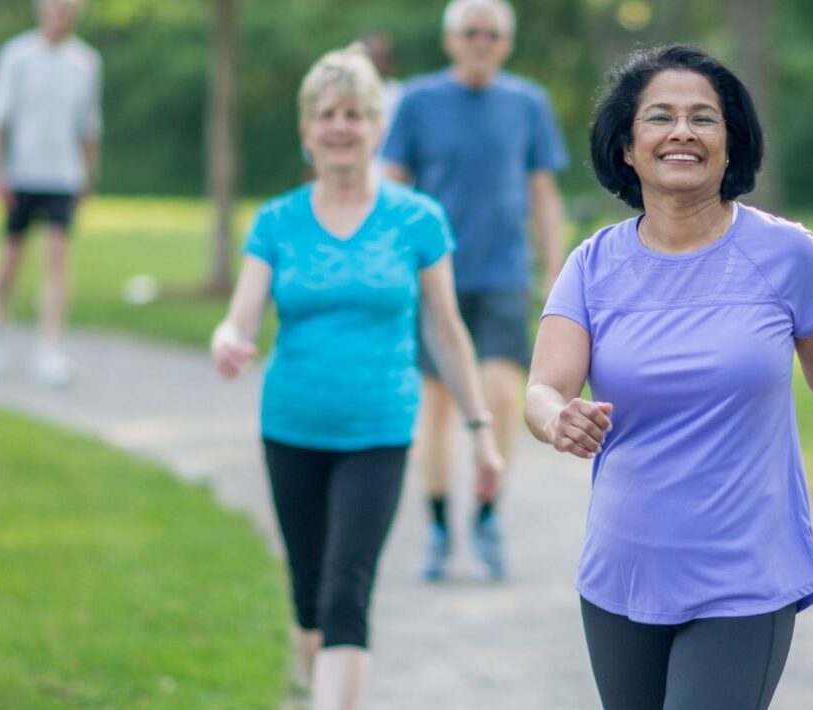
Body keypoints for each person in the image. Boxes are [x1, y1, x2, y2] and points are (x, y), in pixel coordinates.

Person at [525, 45, 813, 709]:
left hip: (745, 575)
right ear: (627, 148)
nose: (682, 132)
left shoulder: (787, 256)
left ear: (731, 146)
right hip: (621, 575)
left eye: (704, 119)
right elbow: (543, 390)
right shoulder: (593, 265)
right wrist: (557, 417)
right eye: (659, 117)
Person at [210, 47, 502, 710]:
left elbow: (447, 330)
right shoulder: (277, 220)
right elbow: (241, 317)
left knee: (347, 589)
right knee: (310, 599)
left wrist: (481, 431)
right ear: (306, 129)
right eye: (326, 114)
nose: (340, 127)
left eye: (354, 114)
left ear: (375, 127)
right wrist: (227, 342)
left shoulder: (417, 219)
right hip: (292, 426)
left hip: (378, 428)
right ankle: (314, 686)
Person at [380, 0, 568, 581]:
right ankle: (438, 524)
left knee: (501, 397)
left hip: (503, 275)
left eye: (491, 33)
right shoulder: (417, 101)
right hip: (434, 281)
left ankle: (487, 509)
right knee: (437, 406)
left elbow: (543, 193)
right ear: (451, 40)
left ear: (505, 43)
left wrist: (556, 272)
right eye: (471, 32)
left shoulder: (527, 104)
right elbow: (392, 188)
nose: (481, 41)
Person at [0, 0, 102, 387]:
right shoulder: (15, 56)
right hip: (22, 174)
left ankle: (49, 346)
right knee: (12, 255)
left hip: (63, 176)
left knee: (57, 259)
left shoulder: (86, 61)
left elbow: (89, 125)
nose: (61, 12)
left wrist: (89, 176)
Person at [357, 32, 403, 179]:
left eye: (383, 58)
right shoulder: (342, 96)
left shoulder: (400, 96)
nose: (378, 64)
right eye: (373, 58)